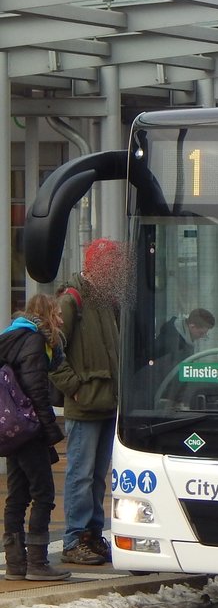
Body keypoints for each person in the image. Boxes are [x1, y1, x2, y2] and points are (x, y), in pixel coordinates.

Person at [51, 238, 125, 566]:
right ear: (96, 264)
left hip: (108, 404)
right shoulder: (72, 300)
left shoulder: (109, 301)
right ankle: (74, 537)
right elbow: (51, 349)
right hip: (85, 404)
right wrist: (73, 387)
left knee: (97, 475)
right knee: (81, 474)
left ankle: (91, 534)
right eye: (112, 264)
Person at [0, 295, 70, 581]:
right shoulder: (33, 341)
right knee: (43, 493)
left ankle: (16, 563)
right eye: (57, 314)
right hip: (28, 428)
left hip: (12, 427)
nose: (61, 320)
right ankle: (38, 563)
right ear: (46, 315)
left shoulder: (10, 336)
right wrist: (50, 427)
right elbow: (36, 390)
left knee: (17, 494)